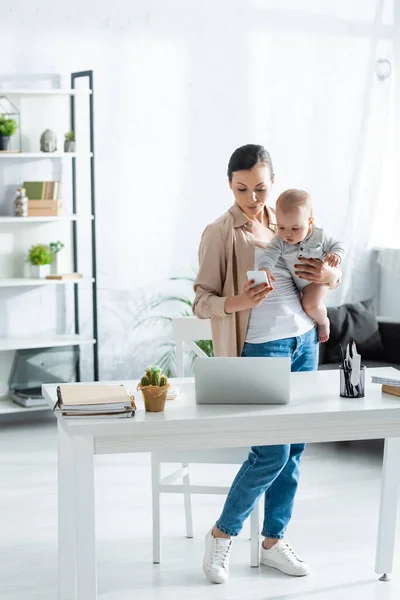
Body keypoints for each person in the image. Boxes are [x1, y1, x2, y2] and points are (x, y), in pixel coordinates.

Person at [193, 144, 341, 584]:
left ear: (272, 184)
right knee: (271, 451)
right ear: (229, 184)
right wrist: (239, 301)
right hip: (262, 347)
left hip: (303, 341)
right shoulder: (220, 231)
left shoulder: (290, 221)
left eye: (260, 188)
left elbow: (327, 272)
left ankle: (274, 541)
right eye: (242, 189)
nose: (252, 199)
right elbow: (201, 302)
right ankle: (222, 535)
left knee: (294, 448)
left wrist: (329, 278)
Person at [259, 188, 345, 343]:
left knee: (310, 305)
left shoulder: (319, 235)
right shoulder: (280, 241)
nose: (287, 234)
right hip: (300, 286)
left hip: (317, 282)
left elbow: (338, 245)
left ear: (310, 222)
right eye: (281, 227)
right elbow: (270, 254)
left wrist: (336, 255)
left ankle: (323, 321)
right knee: (305, 303)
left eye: (295, 228)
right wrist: (265, 269)